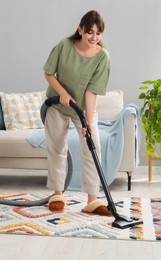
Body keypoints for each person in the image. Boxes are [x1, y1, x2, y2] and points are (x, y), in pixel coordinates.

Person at [43, 10, 112, 216]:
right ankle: (57, 194)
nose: (94, 37)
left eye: (98, 33)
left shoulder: (102, 57)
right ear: (80, 30)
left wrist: (88, 122)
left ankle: (92, 199)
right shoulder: (64, 46)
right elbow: (48, 72)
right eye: (90, 32)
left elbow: (92, 91)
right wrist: (62, 93)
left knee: (92, 147)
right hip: (57, 105)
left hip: (81, 109)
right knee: (57, 146)